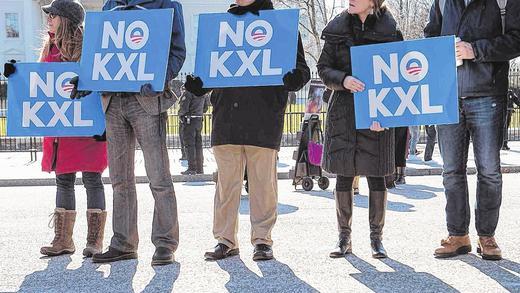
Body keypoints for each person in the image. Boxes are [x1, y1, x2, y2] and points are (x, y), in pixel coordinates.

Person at [185, 0, 310, 262]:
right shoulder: (221, 25)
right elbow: (210, 70)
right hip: (226, 116)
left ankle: (262, 240)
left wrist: (295, 78)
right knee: (226, 185)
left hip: (263, 116)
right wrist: (199, 85)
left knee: (263, 184)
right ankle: (225, 240)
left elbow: (302, 70)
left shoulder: (281, 25)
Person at [3, 0, 108, 258]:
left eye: (53, 14)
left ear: (66, 19)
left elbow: (101, 82)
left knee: (93, 179)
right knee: (64, 180)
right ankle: (63, 240)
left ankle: (95, 241)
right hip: (62, 126)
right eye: (48, 14)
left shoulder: (88, 46)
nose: (48, 18)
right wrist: (15, 76)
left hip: (87, 126)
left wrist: (102, 123)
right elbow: (39, 86)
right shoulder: (49, 46)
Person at [89, 0, 186, 266]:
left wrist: (160, 77)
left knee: (159, 176)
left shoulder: (166, 4)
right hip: (112, 99)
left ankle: (165, 243)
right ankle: (123, 243)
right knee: (120, 178)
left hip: (145, 99)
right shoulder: (111, 5)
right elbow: (98, 49)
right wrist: (87, 77)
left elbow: (177, 51)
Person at [425, 0, 520, 260]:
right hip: (448, 95)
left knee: (489, 171)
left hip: (488, 94)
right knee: (451, 171)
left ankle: (486, 236)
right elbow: (430, 35)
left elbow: (516, 40)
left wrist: (474, 50)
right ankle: (457, 235)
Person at [318, 0, 403, 259]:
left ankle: (377, 240)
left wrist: (386, 113)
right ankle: (344, 238)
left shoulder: (391, 31)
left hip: (377, 113)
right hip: (343, 111)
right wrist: (343, 79)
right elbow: (323, 68)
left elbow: (399, 75)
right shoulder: (336, 29)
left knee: (376, 175)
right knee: (344, 174)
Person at [178, 87, 210, 175]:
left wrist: (180, 114)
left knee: (189, 145)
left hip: (189, 120)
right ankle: (200, 168)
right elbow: (206, 107)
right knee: (198, 145)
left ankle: (192, 168)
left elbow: (184, 107)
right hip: (199, 120)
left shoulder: (188, 92)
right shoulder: (203, 92)